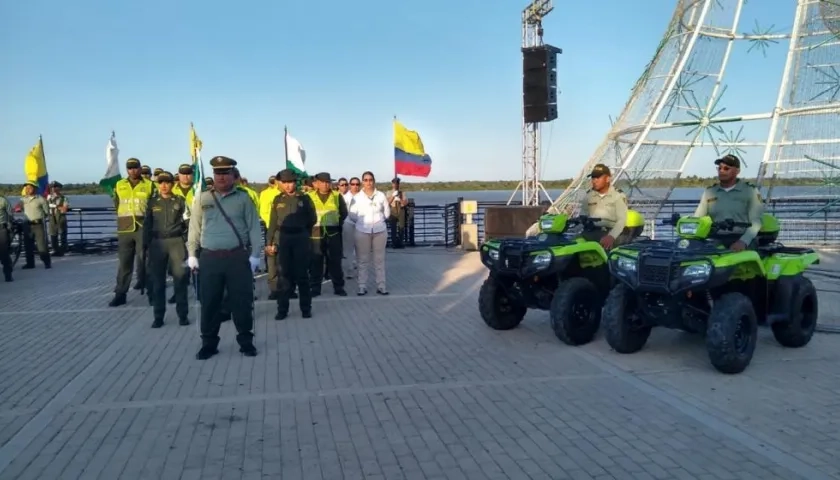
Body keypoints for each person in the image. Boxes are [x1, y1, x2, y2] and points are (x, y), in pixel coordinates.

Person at [187, 155, 262, 360]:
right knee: (210, 302)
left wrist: (256, 256)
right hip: (210, 259)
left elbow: (254, 228)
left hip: (237, 257)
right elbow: (194, 229)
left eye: (225, 173)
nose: (221, 177)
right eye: (217, 173)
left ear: (233, 175)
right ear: (213, 175)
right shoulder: (203, 198)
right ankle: (209, 344)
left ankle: (246, 342)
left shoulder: (244, 198)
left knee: (242, 302)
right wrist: (192, 254)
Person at [266, 169, 317, 319]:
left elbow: (312, 219)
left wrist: (302, 232)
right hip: (284, 239)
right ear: (281, 184)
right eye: (285, 183)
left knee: (302, 276)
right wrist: (269, 242)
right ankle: (282, 310)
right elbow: (272, 222)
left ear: (296, 183)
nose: (288, 186)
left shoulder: (305, 198)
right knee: (284, 275)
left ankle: (306, 309)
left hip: (300, 238)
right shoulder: (278, 199)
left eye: (291, 182)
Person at [143, 171, 190, 328]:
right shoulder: (152, 202)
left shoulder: (180, 201)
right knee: (158, 282)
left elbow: (188, 224)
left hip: (176, 242)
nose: (163, 185)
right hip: (157, 244)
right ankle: (158, 316)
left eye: (167, 182)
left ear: (172, 184)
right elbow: (147, 225)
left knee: (180, 280)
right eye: (160, 182)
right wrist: (145, 245)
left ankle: (183, 315)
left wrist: (189, 244)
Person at [693, 154, 764, 251]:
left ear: (737, 171)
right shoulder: (709, 192)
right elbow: (697, 219)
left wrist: (743, 241)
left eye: (726, 168)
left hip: (742, 237)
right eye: (719, 168)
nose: (722, 171)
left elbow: (756, 222)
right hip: (715, 238)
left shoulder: (750, 191)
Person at [109, 158, 154, 307]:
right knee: (124, 263)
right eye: (130, 168)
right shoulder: (119, 184)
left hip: (143, 225)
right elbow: (117, 203)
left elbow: (153, 206)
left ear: (140, 168)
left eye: (135, 167)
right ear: (127, 170)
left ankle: (151, 292)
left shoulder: (149, 185)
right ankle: (120, 293)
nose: (133, 170)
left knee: (145, 261)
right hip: (125, 227)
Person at [307, 172, 348, 296]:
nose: (326, 184)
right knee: (316, 262)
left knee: (335, 262)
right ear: (317, 183)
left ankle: (338, 287)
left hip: (333, 233)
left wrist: (337, 223)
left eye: (328, 182)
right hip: (315, 234)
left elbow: (344, 212)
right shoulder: (309, 196)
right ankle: (315, 288)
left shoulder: (336, 196)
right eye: (323, 182)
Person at [350, 171, 390, 295]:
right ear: (363, 182)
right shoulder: (356, 198)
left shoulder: (381, 195)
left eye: (370, 180)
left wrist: (379, 220)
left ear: (374, 181)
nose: (368, 182)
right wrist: (364, 222)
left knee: (379, 259)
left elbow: (387, 212)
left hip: (379, 231)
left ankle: (381, 286)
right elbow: (352, 215)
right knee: (362, 260)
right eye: (366, 180)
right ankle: (362, 286)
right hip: (362, 231)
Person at [578, 164, 628, 250]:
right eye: (593, 178)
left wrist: (611, 236)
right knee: (571, 245)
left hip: (611, 232)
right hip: (591, 231)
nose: (594, 181)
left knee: (605, 249)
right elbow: (582, 217)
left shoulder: (618, 195)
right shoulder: (588, 196)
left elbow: (622, 220)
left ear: (608, 179)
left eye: (598, 178)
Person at [16, 182, 51, 269]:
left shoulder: (41, 199)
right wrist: (17, 208)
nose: (28, 189)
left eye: (29, 188)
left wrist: (39, 217)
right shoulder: (23, 199)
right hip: (27, 225)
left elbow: (47, 212)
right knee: (28, 246)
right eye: (26, 188)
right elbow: (18, 207)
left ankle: (47, 262)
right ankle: (30, 264)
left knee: (41, 246)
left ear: (35, 188)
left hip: (38, 225)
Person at [259, 176, 282, 299]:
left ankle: (283, 288)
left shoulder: (282, 194)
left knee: (280, 261)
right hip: (273, 228)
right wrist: (272, 225)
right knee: (273, 260)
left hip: (280, 229)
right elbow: (263, 211)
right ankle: (275, 289)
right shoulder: (267, 194)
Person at [340, 177, 360, 278]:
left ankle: (360, 270)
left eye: (357, 184)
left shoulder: (363, 197)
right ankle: (349, 269)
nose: (355, 186)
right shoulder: (344, 197)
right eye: (352, 184)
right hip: (348, 223)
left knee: (360, 248)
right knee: (348, 248)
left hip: (361, 224)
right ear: (349, 185)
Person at [47, 181, 70, 256]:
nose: (53, 189)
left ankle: (63, 250)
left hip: (60, 217)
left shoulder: (64, 198)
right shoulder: (48, 197)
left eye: (55, 187)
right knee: (52, 234)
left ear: (59, 188)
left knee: (62, 234)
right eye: (52, 187)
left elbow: (64, 209)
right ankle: (55, 250)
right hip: (52, 217)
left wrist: (56, 206)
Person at [387, 177, 408, 248]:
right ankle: (394, 243)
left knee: (401, 227)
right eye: (395, 183)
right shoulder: (389, 192)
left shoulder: (402, 193)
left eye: (397, 183)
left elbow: (405, 203)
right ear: (392, 184)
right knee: (393, 228)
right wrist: (393, 196)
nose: (396, 185)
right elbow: (387, 202)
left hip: (401, 210)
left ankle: (400, 243)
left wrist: (399, 199)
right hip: (392, 210)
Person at [0, 194, 13, 281]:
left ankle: (8, 275)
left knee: (4, 253)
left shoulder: (3, 200)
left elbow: (10, 213)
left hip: (1, 229)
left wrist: (9, 227)